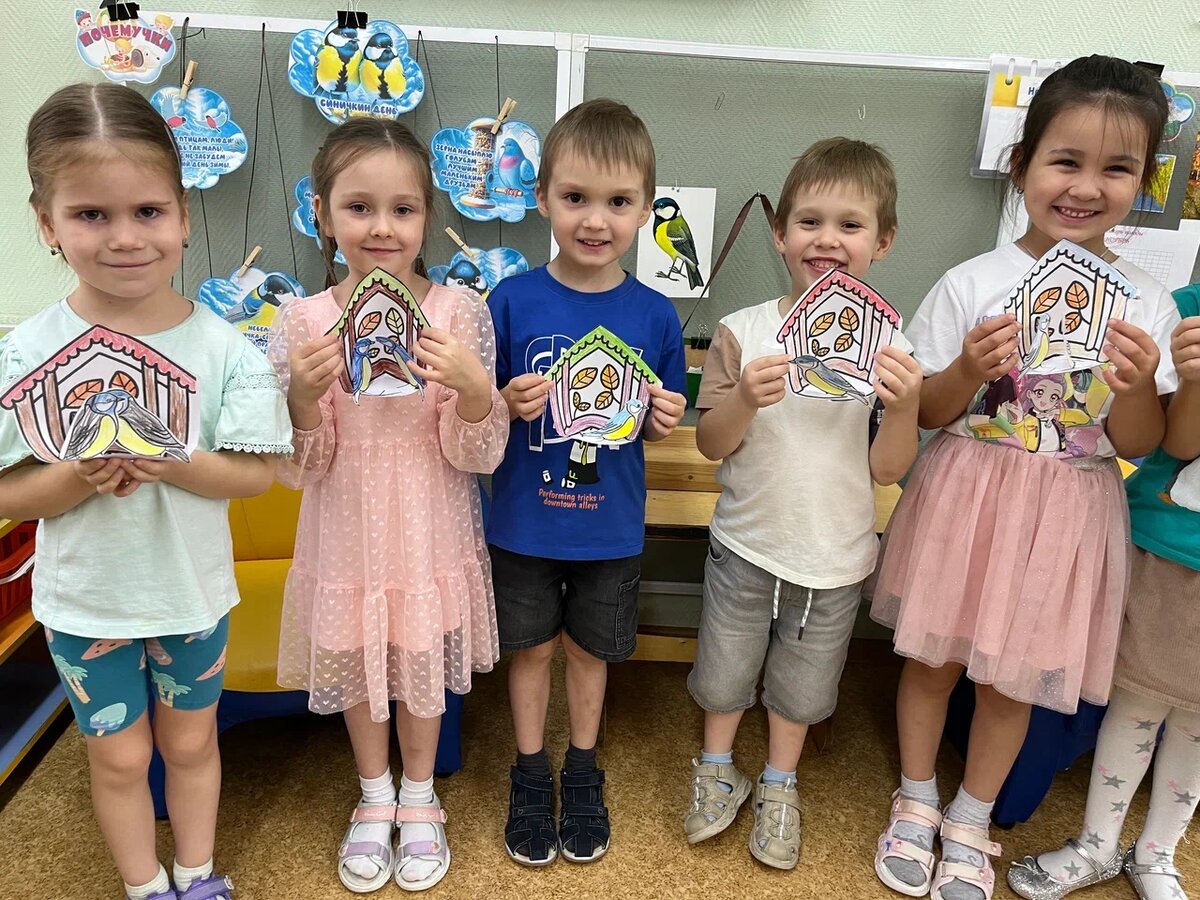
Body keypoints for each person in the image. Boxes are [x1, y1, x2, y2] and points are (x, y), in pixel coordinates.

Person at [870, 56, 1179, 900]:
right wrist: (968, 369)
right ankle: (917, 799)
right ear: (1021, 165)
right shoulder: (972, 282)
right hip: (967, 496)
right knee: (932, 659)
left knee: (1014, 678)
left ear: (1143, 182)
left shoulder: (1145, 302)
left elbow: (1141, 441)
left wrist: (1133, 385)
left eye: (1116, 168)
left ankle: (972, 818)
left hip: (1069, 512)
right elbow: (930, 411)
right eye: (1065, 160)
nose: (1086, 187)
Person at [0, 83, 292, 900]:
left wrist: (174, 460)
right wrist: (74, 477)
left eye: (148, 211)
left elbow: (255, 473)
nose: (125, 237)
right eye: (91, 214)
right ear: (47, 224)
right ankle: (144, 886)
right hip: (85, 602)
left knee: (191, 744)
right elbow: (10, 493)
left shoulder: (226, 348)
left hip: (192, 595)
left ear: (183, 214)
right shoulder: (28, 352)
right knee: (120, 756)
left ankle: (196, 875)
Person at [268, 118, 508, 893]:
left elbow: (477, 453)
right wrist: (301, 399)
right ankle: (374, 795)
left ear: (427, 217)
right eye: (359, 207)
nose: (381, 227)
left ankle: (420, 794)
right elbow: (302, 467)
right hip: (346, 529)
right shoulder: (301, 322)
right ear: (322, 214)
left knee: (420, 660)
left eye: (402, 209)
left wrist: (473, 389)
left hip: (429, 525)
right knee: (359, 664)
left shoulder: (459, 312)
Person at [682, 138, 922, 869]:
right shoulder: (743, 331)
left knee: (804, 684)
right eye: (810, 222)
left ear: (882, 242)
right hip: (746, 542)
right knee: (724, 668)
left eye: (851, 225)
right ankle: (717, 768)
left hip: (835, 555)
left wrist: (906, 406)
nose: (827, 239)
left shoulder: (891, 345)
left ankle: (780, 782)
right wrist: (745, 399)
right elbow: (710, 444)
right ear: (780, 233)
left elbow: (889, 468)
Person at [487, 98, 687, 866]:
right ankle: (530, 772)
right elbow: (476, 414)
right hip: (523, 523)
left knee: (589, 653)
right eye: (575, 197)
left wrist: (664, 416)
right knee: (531, 652)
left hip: (609, 528)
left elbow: (657, 422)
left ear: (644, 207)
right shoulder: (510, 301)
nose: (595, 220)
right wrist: (503, 402)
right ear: (542, 199)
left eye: (618, 201)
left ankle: (581, 768)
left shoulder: (656, 316)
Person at [1007, 283, 1200, 900]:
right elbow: (1178, 442)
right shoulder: (1184, 308)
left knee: (1197, 721)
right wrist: (1193, 378)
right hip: (1171, 547)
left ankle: (1158, 852)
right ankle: (1098, 843)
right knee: (1139, 700)